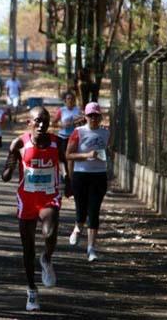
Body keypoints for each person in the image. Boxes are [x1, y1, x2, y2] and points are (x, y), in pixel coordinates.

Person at [2, 106, 61, 312]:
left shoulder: (56, 142)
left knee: (50, 231)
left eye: (45, 121)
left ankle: (46, 257)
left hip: (49, 197)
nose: (42, 125)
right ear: (29, 123)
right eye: (38, 121)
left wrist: (70, 182)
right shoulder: (19, 143)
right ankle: (31, 290)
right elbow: (6, 171)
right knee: (27, 249)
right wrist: (9, 168)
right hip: (27, 199)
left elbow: (67, 161)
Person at [66, 102, 110, 262]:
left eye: (96, 115)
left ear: (100, 117)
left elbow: (109, 151)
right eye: (90, 115)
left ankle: (91, 248)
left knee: (94, 211)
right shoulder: (78, 132)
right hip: (81, 175)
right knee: (81, 209)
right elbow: (68, 155)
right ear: (85, 116)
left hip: (99, 176)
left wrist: (108, 158)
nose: (93, 118)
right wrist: (86, 155)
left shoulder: (106, 133)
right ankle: (77, 227)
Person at [51, 91, 83, 197]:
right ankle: (65, 177)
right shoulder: (61, 110)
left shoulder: (77, 110)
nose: (70, 100)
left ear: (74, 100)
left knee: (70, 161)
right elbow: (53, 122)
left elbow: (82, 121)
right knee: (62, 160)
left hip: (73, 138)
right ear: (65, 100)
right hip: (62, 138)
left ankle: (70, 187)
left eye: (72, 99)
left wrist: (75, 122)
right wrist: (61, 124)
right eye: (68, 99)